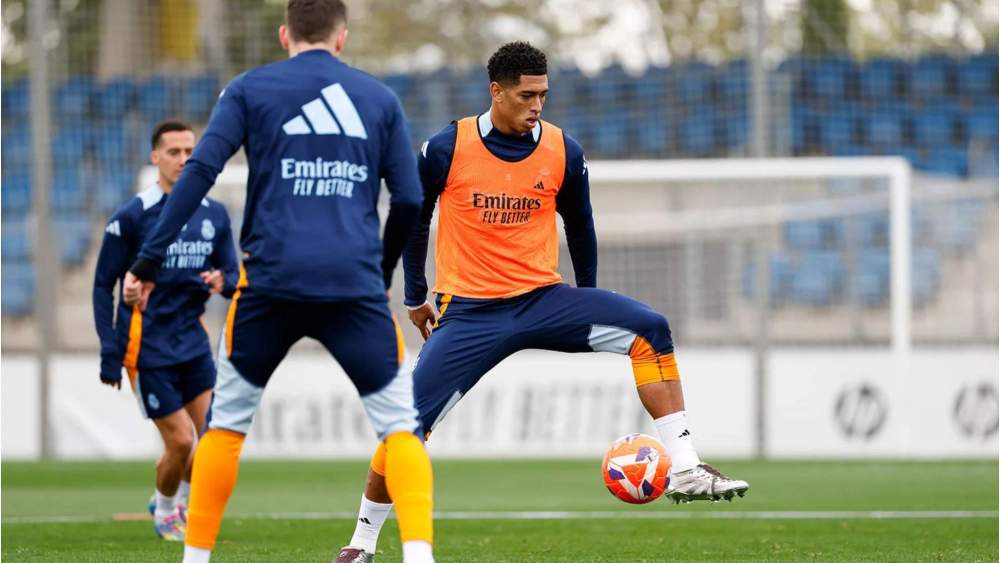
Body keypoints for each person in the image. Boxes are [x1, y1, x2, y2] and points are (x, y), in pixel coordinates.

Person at [336, 41, 750, 562]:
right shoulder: (447, 147)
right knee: (405, 428)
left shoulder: (563, 150)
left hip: (542, 299)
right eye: (527, 95)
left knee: (651, 330)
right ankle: (361, 544)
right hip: (470, 311)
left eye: (544, 95)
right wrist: (416, 295)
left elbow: (581, 224)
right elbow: (416, 218)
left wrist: (590, 293)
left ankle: (686, 466)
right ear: (496, 91)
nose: (537, 105)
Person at [122, 2, 435, 562]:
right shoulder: (378, 98)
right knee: (398, 428)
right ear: (341, 38)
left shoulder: (248, 89)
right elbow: (410, 199)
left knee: (226, 427)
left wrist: (147, 262)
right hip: (353, 287)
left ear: (285, 34)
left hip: (269, 284)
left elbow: (200, 173)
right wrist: (380, 271)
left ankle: (195, 559)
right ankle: (418, 556)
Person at [93, 120, 240, 541]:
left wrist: (222, 283)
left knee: (212, 440)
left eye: (190, 152)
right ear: (155, 157)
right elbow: (104, 284)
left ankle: (179, 501)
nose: (183, 160)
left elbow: (232, 274)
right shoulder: (133, 216)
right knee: (180, 443)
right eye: (173, 152)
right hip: (147, 347)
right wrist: (109, 350)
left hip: (193, 344)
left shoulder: (214, 214)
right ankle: (167, 509)